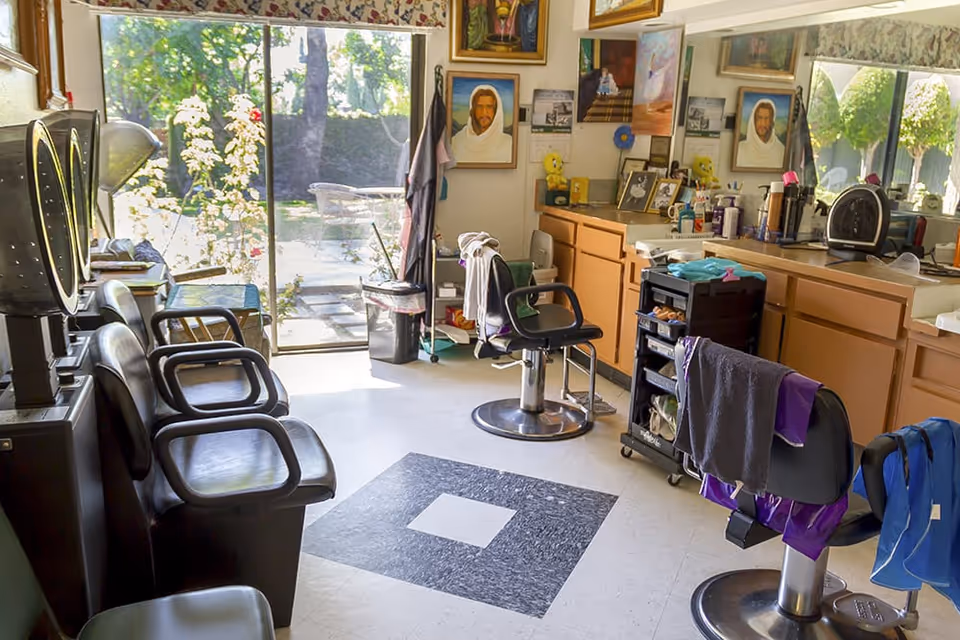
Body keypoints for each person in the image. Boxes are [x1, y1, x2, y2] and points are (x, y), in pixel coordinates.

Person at [452, 85, 513, 163]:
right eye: (479, 107)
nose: (484, 112)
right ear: (473, 109)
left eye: (489, 107)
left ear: (496, 110)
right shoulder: (457, 141)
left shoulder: (508, 144)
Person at [737, 99, 785, 168]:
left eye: (766, 119)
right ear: (754, 120)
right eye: (759, 118)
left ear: (772, 122)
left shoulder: (781, 150)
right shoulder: (740, 149)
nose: (763, 124)